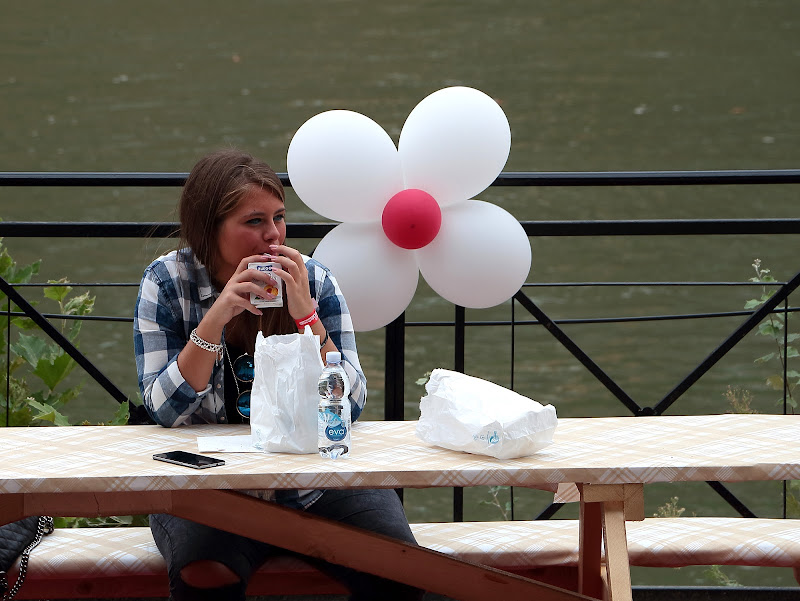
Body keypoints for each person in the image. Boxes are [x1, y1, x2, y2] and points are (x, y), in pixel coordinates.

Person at [134, 148, 423, 601]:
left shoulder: (314, 280)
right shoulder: (169, 282)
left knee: (401, 569)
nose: (273, 235)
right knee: (205, 574)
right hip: (211, 487)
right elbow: (164, 409)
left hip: (314, 482)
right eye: (253, 221)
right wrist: (216, 319)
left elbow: (350, 404)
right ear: (209, 229)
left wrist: (307, 316)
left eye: (279, 218)